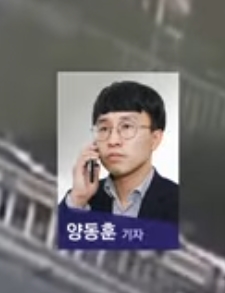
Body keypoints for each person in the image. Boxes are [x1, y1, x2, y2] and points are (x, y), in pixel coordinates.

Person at [60, 80, 179, 225]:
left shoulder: (179, 203)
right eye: (104, 129)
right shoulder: (83, 200)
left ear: (155, 139)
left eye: (127, 127)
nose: (113, 140)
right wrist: (78, 199)